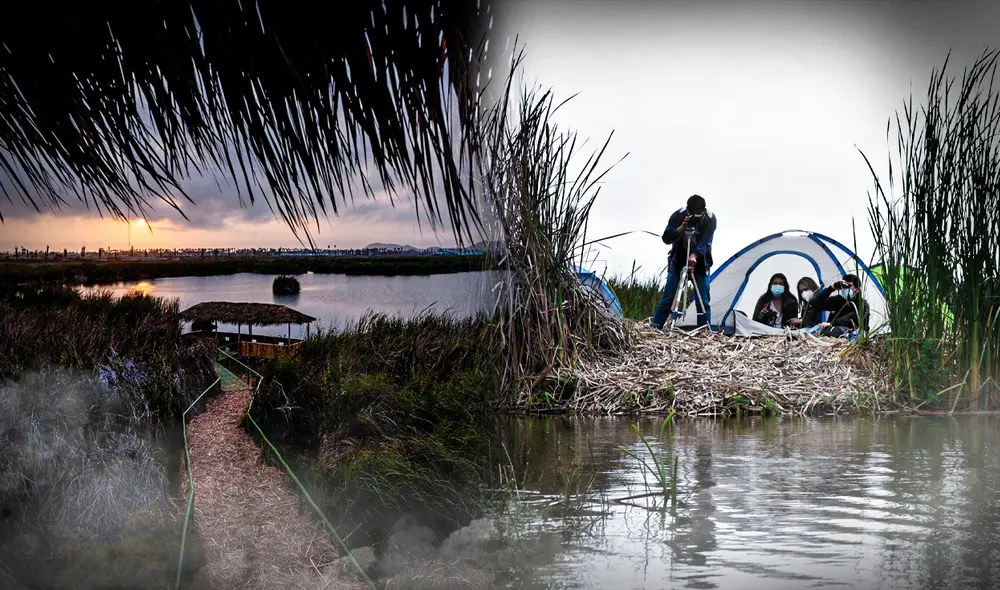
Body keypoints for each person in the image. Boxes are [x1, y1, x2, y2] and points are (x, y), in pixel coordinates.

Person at [650, 194, 717, 329]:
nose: (695, 217)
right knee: (668, 297)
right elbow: (666, 238)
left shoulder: (710, 218)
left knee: (703, 300)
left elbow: (706, 241)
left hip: (701, 263)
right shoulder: (678, 216)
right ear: (688, 210)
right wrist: (681, 227)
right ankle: (655, 327)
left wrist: (694, 254)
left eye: (699, 214)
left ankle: (703, 330)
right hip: (679, 261)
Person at [812, 273, 870, 338]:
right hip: (831, 334)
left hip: (851, 336)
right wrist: (831, 288)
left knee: (834, 330)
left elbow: (853, 317)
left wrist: (832, 323)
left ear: (857, 289)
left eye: (849, 285)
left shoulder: (862, 304)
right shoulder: (838, 300)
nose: (844, 288)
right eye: (843, 285)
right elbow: (816, 305)